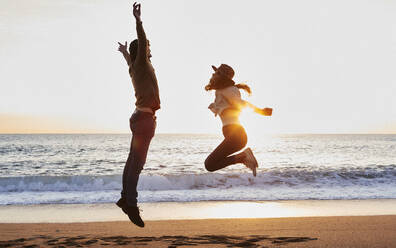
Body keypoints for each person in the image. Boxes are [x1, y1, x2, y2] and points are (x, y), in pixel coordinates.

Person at [116, 2, 160, 228]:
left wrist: (125, 53)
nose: (150, 48)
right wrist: (138, 20)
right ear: (141, 51)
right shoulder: (142, 63)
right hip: (144, 120)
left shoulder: (135, 67)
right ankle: (130, 204)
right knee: (137, 164)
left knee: (131, 161)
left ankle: (125, 197)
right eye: (148, 47)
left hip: (139, 118)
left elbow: (131, 60)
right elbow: (142, 41)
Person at [205, 64, 272, 176]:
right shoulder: (222, 91)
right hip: (234, 136)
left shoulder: (229, 90)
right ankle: (242, 157)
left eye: (216, 73)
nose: (212, 74)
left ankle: (244, 156)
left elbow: (242, 104)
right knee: (210, 165)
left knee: (210, 164)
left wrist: (261, 111)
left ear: (221, 76)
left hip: (236, 136)